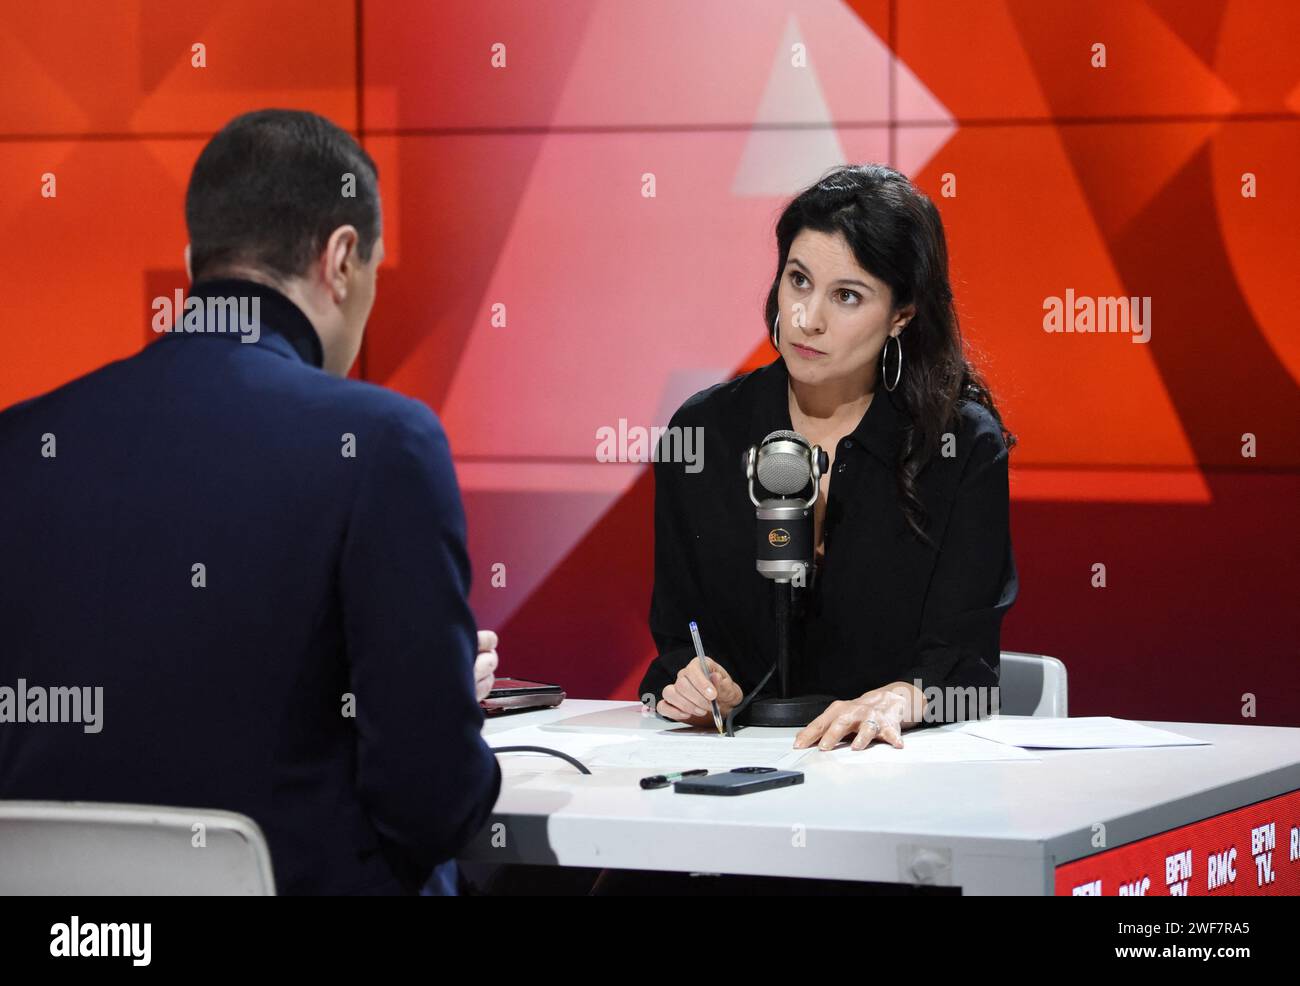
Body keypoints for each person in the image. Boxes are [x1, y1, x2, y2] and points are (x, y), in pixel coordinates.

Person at [0, 109, 499, 895]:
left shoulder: (18, 442)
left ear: (195, 259)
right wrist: (437, 703)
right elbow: (433, 803)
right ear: (341, 259)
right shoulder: (382, 440)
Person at [641, 163, 1018, 754]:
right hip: (735, 764)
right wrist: (699, 680)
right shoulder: (704, 433)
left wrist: (902, 697)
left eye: (846, 296)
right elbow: (678, 635)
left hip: (893, 769)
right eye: (798, 281)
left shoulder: (959, 446)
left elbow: (965, 660)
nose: (806, 318)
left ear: (902, 313)